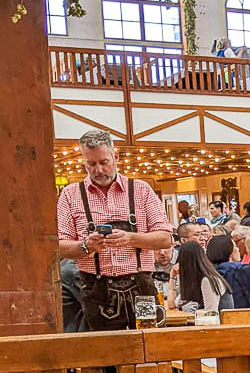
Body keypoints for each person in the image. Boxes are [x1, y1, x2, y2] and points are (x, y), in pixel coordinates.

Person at [56, 130, 172, 334]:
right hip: (97, 291)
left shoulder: (141, 190)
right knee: (106, 358)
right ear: (84, 161)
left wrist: (131, 238)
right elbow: (59, 247)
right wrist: (86, 246)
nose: (98, 170)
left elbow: (165, 238)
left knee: (152, 352)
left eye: (104, 162)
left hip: (141, 289)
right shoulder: (70, 194)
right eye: (91, 164)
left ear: (115, 157)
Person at [167, 240, 233, 314]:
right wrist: (172, 277)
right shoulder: (193, 281)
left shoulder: (208, 280)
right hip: (204, 323)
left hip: (221, 324)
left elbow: (211, 313)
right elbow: (172, 305)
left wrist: (188, 318)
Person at [206, 232, 250, 307]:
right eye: (235, 246)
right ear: (229, 251)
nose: (238, 249)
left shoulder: (207, 270)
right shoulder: (240, 270)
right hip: (242, 314)